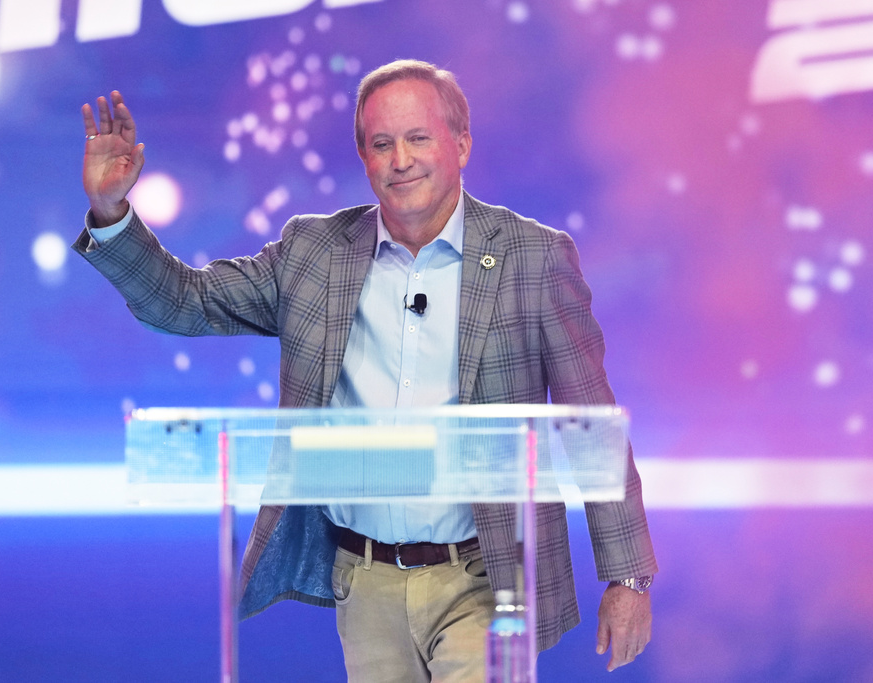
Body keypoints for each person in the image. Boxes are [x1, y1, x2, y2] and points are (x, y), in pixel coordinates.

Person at [75, 59, 657, 682]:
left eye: (418, 138)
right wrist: (113, 213)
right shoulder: (313, 252)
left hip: (487, 579)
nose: (400, 159)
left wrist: (628, 576)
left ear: (460, 143)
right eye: (381, 144)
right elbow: (184, 302)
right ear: (363, 157)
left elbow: (589, 421)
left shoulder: (533, 257)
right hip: (365, 581)